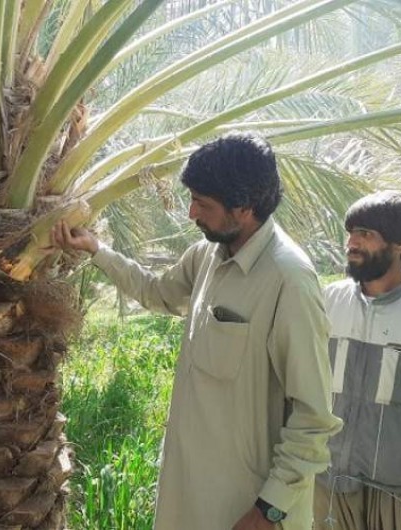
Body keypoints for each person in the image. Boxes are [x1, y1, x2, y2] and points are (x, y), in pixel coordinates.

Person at [51, 132, 341, 529]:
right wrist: (97, 250)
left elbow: (313, 415)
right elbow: (157, 292)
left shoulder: (290, 281)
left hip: (247, 508)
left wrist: (269, 509)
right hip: (190, 493)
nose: (191, 214)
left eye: (202, 204)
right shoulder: (208, 254)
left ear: (244, 207)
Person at [314, 191, 401, 530]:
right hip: (327, 482)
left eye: (365, 234)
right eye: (350, 232)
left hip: (398, 494)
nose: (352, 243)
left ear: (400, 244)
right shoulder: (329, 301)